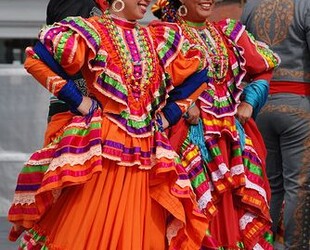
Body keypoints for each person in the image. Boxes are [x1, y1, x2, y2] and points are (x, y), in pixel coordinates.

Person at [7, 0, 211, 249]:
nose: (146, 1)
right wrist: (78, 101)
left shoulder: (157, 37)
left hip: (147, 151)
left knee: (140, 230)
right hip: (103, 147)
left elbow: (200, 72)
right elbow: (37, 58)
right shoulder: (92, 31)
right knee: (89, 226)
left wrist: (168, 115)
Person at [152, 0, 280, 249]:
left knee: (235, 213)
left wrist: (250, 102)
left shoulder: (229, 32)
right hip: (191, 139)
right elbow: (152, 80)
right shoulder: (166, 35)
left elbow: (264, 69)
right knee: (195, 214)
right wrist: (182, 103)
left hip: (233, 142)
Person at [240, 0, 310, 249]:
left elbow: (242, 55)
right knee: (298, 185)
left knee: (269, 183)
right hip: (298, 106)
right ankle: (294, 246)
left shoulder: (251, 6)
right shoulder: (304, 6)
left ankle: (265, 243)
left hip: (260, 106)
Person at [45, 0, 102, 124]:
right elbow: (66, 54)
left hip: (90, 106)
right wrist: (78, 99)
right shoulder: (77, 2)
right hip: (78, 108)